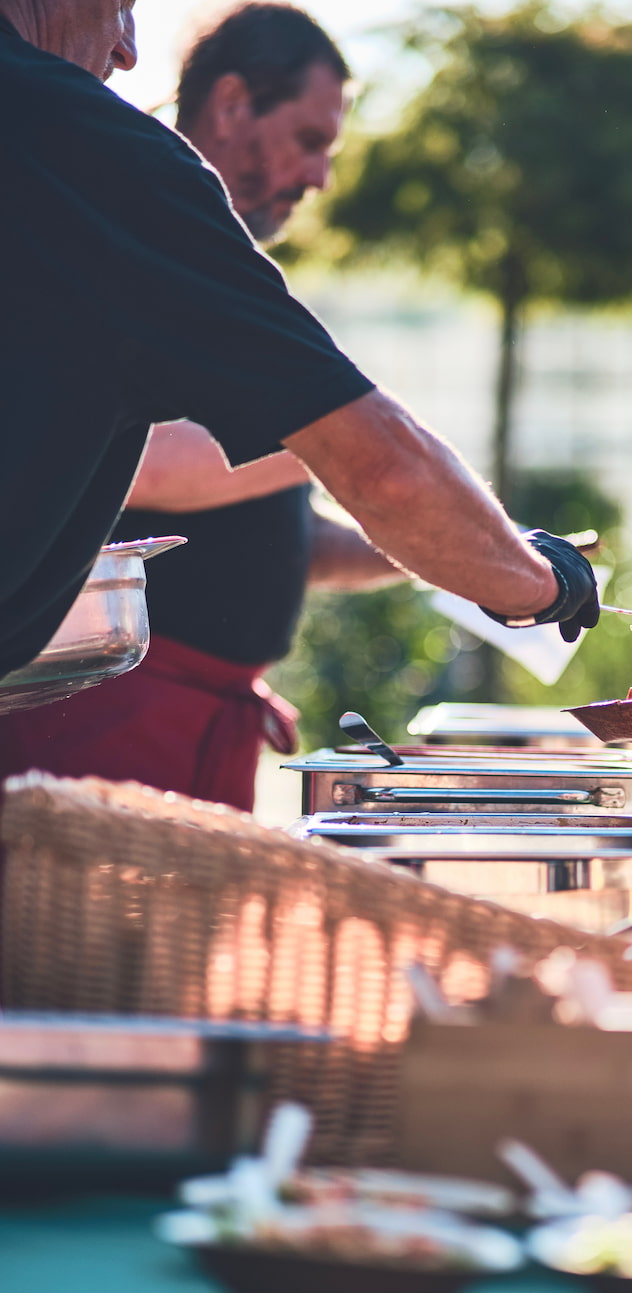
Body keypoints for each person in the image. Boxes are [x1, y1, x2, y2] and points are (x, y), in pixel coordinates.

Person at [0, 1, 598, 781]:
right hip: (117, 704)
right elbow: (371, 469)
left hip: (209, 706)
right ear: (232, 104)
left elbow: (298, 533)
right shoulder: (94, 157)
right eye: (121, 3)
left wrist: (461, 546)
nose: (127, 49)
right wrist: (534, 581)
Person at [0, 3, 409, 810]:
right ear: (230, 105)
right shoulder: (108, 211)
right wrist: (363, 442)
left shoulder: (225, 268)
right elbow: (144, 468)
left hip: (203, 721)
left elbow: (282, 540)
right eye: (309, 140)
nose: (323, 174)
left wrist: (444, 549)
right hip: (107, 707)